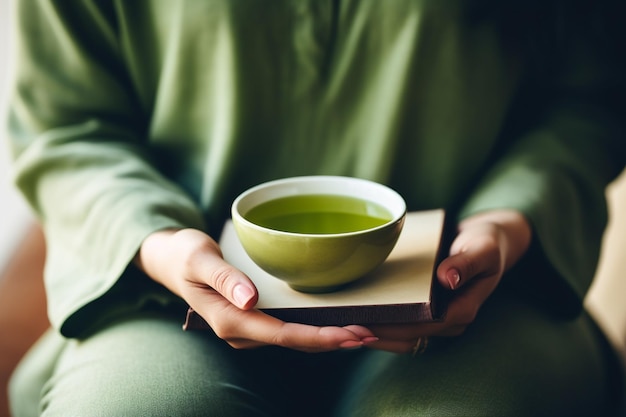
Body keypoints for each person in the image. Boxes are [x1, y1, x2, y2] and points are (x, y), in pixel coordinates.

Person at [5, 1, 626, 416]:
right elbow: (64, 121)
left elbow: (592, 99)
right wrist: (157, 240)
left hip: (473, 294)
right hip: (170, 296)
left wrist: (510, 218)